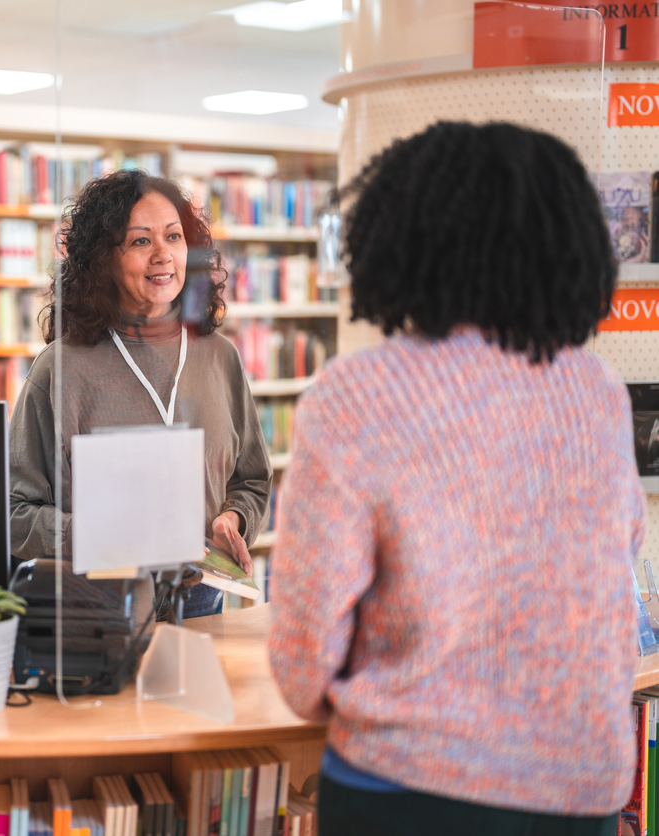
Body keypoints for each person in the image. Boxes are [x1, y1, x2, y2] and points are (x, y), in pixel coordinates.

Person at [268, 121, 641, 834]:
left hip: (405, 783)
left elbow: (303, 648)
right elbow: (611, 582)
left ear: (399, 241)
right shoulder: (597, 393)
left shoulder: (357, 395)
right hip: (577, 786)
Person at [9, 169, 272, 617]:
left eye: (174, 236)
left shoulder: (219, 357)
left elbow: (252, 481)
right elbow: (14, 514)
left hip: (202, 607)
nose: (163, 256)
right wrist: (94, 533)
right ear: (101, 258)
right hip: (98, 612)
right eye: (139, 241)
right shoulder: (61, 368)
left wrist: (235, 519)